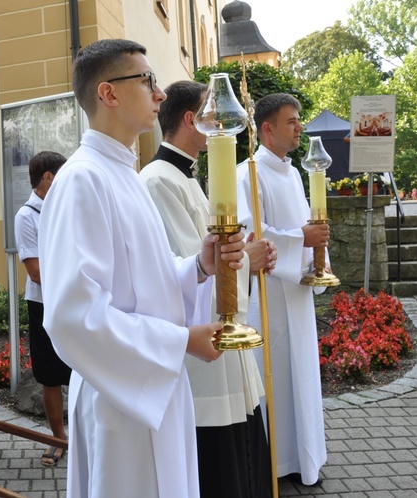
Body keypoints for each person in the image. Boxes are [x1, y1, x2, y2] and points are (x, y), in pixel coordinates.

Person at [38, 39, 246, 497]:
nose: (161, 94)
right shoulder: (83, 180)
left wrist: (197, 266)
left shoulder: (123, 173)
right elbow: (73, 316)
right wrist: (179, 342)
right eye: (148, 81)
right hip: (122, 403)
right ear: (108, 94)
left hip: (150, 388)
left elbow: (138, 280)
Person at [140, 80, 275, 498]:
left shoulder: (187, 177)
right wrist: (242, 262)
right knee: (220, 469)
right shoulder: (158, 181)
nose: (223, 124)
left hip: (223, 345)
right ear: (190, 119)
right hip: (202, 356)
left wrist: (244, 256)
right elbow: (186, 270)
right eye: (213, 113)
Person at [236, 93, 330, 487]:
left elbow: (300, 228)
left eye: (299, 120)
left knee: (303, 375)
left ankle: (304, 458)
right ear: (267, 129)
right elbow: (249, 236)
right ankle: (275, 463)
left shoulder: (293, 172)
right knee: (275, 377)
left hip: (297, 293)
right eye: (291, 121)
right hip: (269, 296)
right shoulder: (248, 173)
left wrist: (315, 249)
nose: (299, 128)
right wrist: (301, 238)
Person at [14, 150, 71, 468]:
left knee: (82, 371)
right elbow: (35, 272)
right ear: (48, 177)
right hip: (44, 304)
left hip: (72, 300)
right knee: (50, 376)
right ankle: (57, 440)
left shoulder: (64, 208)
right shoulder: (27, 215)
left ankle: (86, 433)